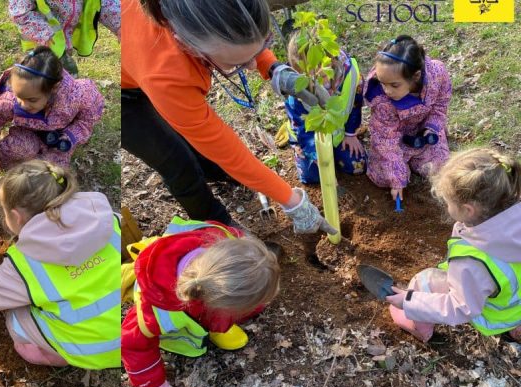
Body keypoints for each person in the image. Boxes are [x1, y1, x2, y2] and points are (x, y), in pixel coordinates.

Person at [121, 0, 335, 235]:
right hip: (125, 95)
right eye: (238, 64)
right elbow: (229, 152)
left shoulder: (211, 11)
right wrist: (293, 202)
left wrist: (273, 68)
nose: (253, 64)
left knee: (199, 151)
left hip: (144, 63)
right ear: (189, 46)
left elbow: (239, 30)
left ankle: (217, 173)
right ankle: (217, 223)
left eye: (260, 48)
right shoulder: (166, 77)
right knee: (176, 160)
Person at [0, 160, 121, 369]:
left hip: (95, 352)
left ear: (16, 217)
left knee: (15, 320)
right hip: (133, 334)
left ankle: (57, 356)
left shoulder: (25, 264)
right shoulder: (111, 222)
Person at [122, 217, 280, 387]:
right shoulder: (155, 310)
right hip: (166, 295)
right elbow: (132, 344)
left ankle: (216, 327)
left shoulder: (228, 242)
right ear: (215, 305)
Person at [385, 148, 521, 343]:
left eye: (448, 203)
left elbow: (461, 308)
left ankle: (419, 328)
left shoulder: (472, 261)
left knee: (424, 280)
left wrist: (409, 302)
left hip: (498, 315)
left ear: (468, 210)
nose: (447, 207)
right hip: (514, 299)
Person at [0, 46, 103, 173]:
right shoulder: (10, 101)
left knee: (52, 172)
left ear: (53, 88)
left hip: (57, 140)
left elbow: (88, 118)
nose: (23, 105)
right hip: (26, 134)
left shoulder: (77, 96)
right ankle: (17, 176)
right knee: (18, 150)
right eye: (19, 97)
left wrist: (71, 135)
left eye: (32, 100)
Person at [363, 35, 451, 202]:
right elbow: (385, 138)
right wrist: (397, 179)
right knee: (383, 178)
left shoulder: (437, 75)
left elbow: (440, 105)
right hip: (393, 139)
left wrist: (431, 127)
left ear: (416, 76)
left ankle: (417, 159)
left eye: (394, 85)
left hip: (421, 134)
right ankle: (402, 167)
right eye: (382, 82)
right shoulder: (382, 100)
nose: (387, 91)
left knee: (441, 168)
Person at [283, 33, 367, 184]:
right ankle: (309, 155)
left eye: (320, 73)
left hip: (339, 133)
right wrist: (318, 157)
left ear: (331, 61)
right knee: (312, 178)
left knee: (357, 166)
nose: (316, 81)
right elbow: (302, 127)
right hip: (309, 139)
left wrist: (350, 133)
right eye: (308, 76)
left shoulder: (350, 74)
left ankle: (336, 150)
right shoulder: (296, 89)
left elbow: (355, 104)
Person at [9, 0, 120, 75]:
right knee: (39, 85)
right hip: (40, 44)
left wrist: (119, 25)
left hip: (64, 43)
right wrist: (43, 33)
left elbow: (106, 3)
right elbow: (20, 11)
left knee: (63, 83)